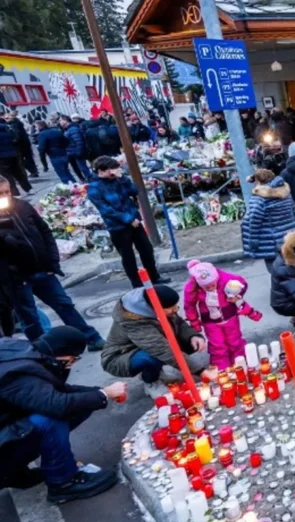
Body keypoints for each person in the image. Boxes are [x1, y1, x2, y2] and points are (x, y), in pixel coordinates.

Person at [0, 326, 125, 501]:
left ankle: (14, 472)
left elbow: (56, 391)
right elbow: (56, 404)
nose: (72, 364)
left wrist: (100, 392)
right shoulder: (19, 373)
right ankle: (63, 482)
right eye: (73, 359)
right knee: (50, 419)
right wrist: (104, 394)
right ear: (63, 353)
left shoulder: (27, 354)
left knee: (78, 404)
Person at [0, 179, 104, 349]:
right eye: (1, 193)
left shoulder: (22, 206)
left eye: (7, 191)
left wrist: (52, 262)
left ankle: (90, 337)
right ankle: (43, 353)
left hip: (42, 270)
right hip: (17, 279)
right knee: (30, 318)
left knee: (64, 304)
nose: (5, 196)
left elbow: (45, 231)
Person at [101, 284, 208, 389]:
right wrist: (201, 371)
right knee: (150, 357)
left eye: (176, 306)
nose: (175, 310)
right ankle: (151, 381)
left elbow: (178, 323)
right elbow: (162, 350)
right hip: (121, 356)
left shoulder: (156, 303)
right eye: (171, 308)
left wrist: (193, 336)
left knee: (189, 343)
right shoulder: (134, 322)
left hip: (148, 346)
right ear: (153, 308)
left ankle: (157, 370)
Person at [87, 157, 169, 288]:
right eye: (112, 169)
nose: (115, 171)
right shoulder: (94, 188)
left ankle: (154, 276)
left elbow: (134, 191)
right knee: (128, 256)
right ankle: (136, 283)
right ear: (101, 171)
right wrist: (128, 219)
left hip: (134, 221)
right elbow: (106, 210)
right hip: (117, 226)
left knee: (146, 249)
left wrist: (123, 179)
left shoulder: (118, 180)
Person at [183, 260, 261, 371]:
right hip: (210, 321)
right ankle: (222, 369)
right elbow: (189, 305)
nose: (210, 288)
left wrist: (237, 294)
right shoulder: (192, 287)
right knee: (217, 345)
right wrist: (194, 321)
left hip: (230, 316)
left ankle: (240, 363)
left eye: (212, 285)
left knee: (235, 341)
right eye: (206, 287)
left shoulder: (225, 278)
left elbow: (242, 283)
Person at [241, 168, 295, 273]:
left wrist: (253, 242)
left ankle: (283, 288)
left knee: (276, 270)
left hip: (271, 241)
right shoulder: (285, 192)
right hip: (289, 236)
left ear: (258, 181)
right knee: (291, 266)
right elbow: (294, 211)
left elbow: (254, 221)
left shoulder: (259, 198)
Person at [36, 120, 75, 185]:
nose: (36, 128)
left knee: (63, 174)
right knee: (67, 172)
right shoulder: (56, 131)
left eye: (36, 126)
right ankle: (75, 185)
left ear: (40, 126)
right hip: (63, 153)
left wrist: (43, 160)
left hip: (54, 155)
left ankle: (71, 188)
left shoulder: (42, 134)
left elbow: (42, 148)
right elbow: (66, 141)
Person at [0, 118, 31, 196]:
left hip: (2, 157)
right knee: (18, 173)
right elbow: (16, 139)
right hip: (13, 154)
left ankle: (15, 193)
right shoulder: (8, 129)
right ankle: (28, 189)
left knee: (7, 176)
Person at [6, 113, 38, 178]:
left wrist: (13, 142)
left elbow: (17, 136)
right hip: (25, 143)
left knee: (23, 160)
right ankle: (34, 171)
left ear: (12, 118)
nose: (6, 120)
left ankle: (32, 171)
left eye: (7, 118)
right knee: (29, 158)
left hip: (21, 145)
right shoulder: (18, 123)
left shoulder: (13, 125)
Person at [64, 116, 92, 182]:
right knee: (80, 167)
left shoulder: (73, 129)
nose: (59, 121)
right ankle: (86, 179)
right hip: (72, 152)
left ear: (65, 120)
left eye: (60, 120)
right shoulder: (68, 129)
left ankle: (90, 179)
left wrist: (79, 152)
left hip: (76, 152)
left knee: (83, 167)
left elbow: (79, 141)